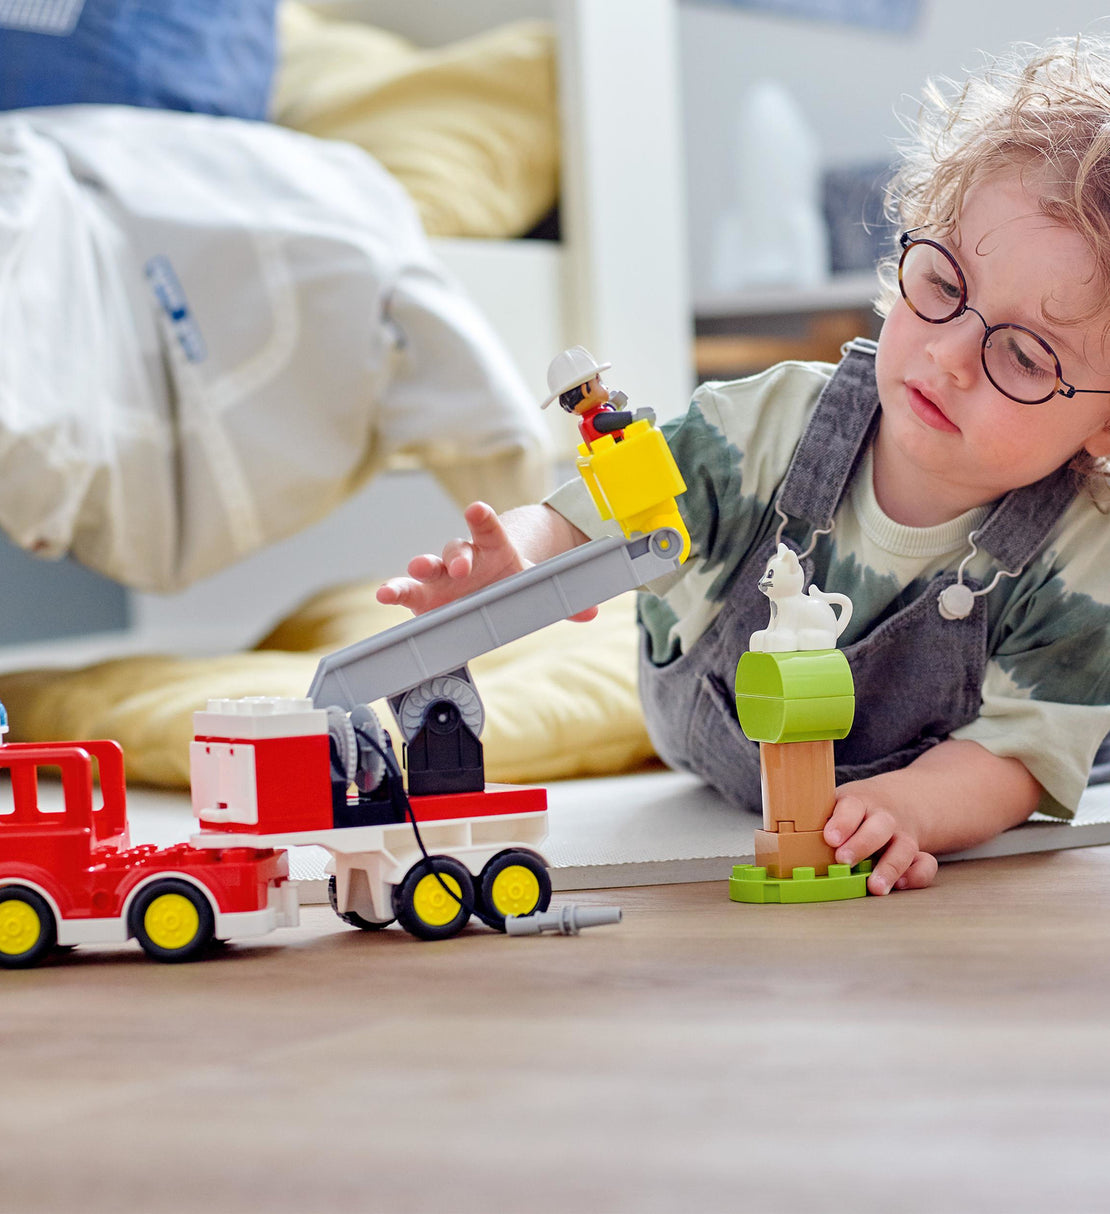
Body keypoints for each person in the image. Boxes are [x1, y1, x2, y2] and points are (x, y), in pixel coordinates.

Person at [378, 35, 1110, 895]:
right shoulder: (766, 425)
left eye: (1023, 356)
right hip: (700, 732)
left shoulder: (1081, 558)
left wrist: (912, 807)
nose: (948, 358)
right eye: (945, 288)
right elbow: (583, 518)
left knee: (1084, 730)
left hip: (914, 778)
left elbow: (1016, 755)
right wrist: (514, 564)